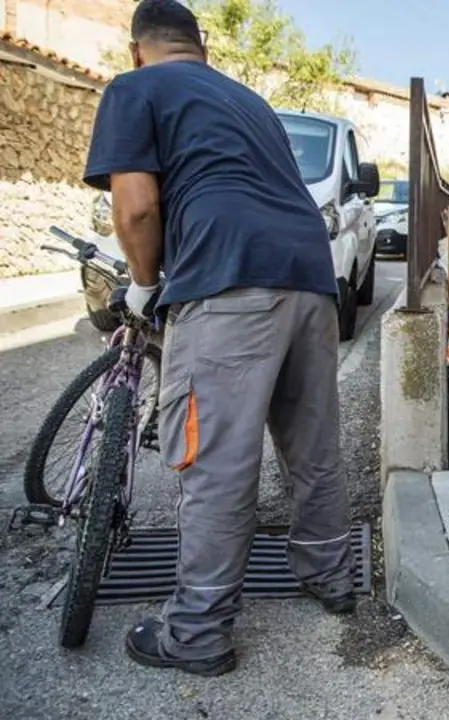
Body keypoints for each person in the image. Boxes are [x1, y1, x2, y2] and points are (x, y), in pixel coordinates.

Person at [83, 0, 354, 677]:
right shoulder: (251, 102)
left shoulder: (134, 87)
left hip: (228, 281)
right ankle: (333, 577)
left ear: (135, 46)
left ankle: (197, 634)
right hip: (311, 275)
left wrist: (145, 285)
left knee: (217, 463)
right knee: (312, 444)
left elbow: (137, 205)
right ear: (200, 44)